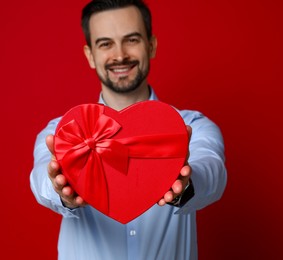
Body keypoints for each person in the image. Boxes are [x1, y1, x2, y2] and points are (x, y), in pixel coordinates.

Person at [30, 0, 227, 259]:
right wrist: (62, 191)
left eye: (131, 39)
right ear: (90, 55)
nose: (120, 55)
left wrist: (186, 186)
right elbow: (40, 180)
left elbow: (213, 172)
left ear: (151, 45)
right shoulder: (62, 132)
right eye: (105, 43)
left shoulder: (193, 126)